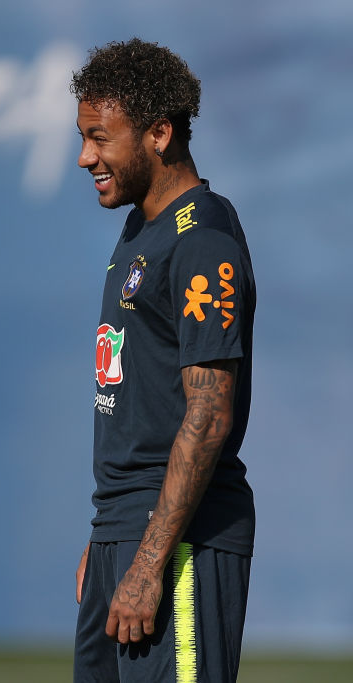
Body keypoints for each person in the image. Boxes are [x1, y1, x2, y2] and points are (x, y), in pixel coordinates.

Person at [70, 39, 256, 682]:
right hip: (123, 532)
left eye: (99, 138)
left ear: (158, 133)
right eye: (82, 137)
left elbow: (208, 416)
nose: (84, 156)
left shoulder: (201, 239)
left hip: (177, 549)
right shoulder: (139, 231)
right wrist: (108, 540)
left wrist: (148, 562)